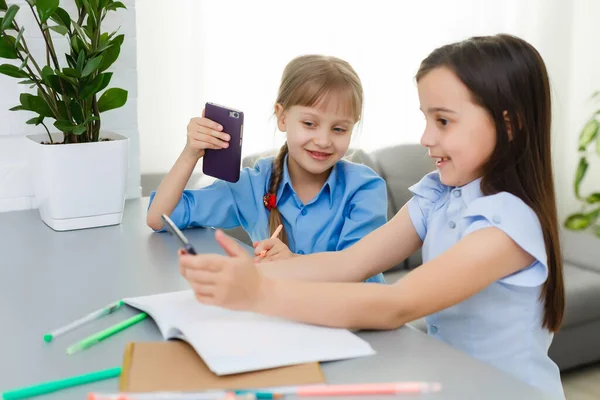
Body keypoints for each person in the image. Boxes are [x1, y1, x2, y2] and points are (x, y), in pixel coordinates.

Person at [178, 34, 566, 398]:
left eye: (443, 121)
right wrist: (242, 274)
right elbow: (349, 262)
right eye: (426, 119)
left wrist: (260, 291)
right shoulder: (438, 196)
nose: (426, 137)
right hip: (449, 382)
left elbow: (398, 303)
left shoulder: (508, 229)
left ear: (509, 124)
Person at [148, 54, 388, 283]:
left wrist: (293, 264)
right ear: (282, 117)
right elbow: (159, 219)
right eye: (309, 123)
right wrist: (191, 152)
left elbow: (355, 271)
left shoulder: (365, 188)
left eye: (339, 129)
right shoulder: (254, 185)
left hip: (359, 321)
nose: (324, 140)